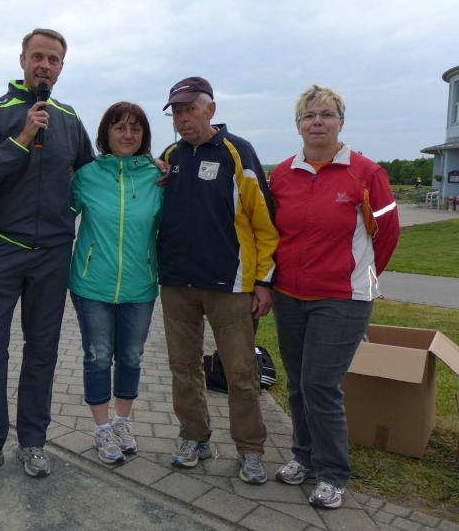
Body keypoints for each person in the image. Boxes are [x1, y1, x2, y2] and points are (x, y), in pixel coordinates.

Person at [0, 28, 94, 483]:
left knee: (42, 352)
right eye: (37, 56)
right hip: (2, 249)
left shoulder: (70, 118)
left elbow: (91, 177)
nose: (44, 65)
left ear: (61, 68)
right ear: (22, 60)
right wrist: (21, 137)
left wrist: (145, 169)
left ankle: (33, 441)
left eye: (53, 59)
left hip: (53, 253)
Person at [269, 85, 399, 509]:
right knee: (297, 384)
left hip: (343, 298)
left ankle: (332, 473)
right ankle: (304, 457)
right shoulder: (282, 174)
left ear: (341, 122)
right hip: (289, 295)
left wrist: (360, 276)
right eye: (309, 116)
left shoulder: (366, 173)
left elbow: (387, 234)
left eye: (326, 115)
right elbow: (273, 232)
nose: (318, 122)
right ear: (298, 125)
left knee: (319, 385)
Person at [157, 77, 278, 484]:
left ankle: (250, 449)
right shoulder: (169, 156)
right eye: (176, 112)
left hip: (230, 285)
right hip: (177, 283)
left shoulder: (237, 152)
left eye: (190, 109)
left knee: (240, 372)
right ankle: (194, 437)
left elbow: (265, 223)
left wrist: (264, 281)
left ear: (210, 109)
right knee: (183, 367)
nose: (183, 118)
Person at [68, 102, 163, 464]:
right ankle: (102, 428)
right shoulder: (87, 175)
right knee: (97, 356)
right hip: (92, 284)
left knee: (131, 356)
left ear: (144, 136)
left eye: (135, 128)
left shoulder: (157, 177)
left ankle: (123, 422)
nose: (127, 134)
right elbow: (59, 214)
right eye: (119, 127)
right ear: (105, 133)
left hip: (140, 285)